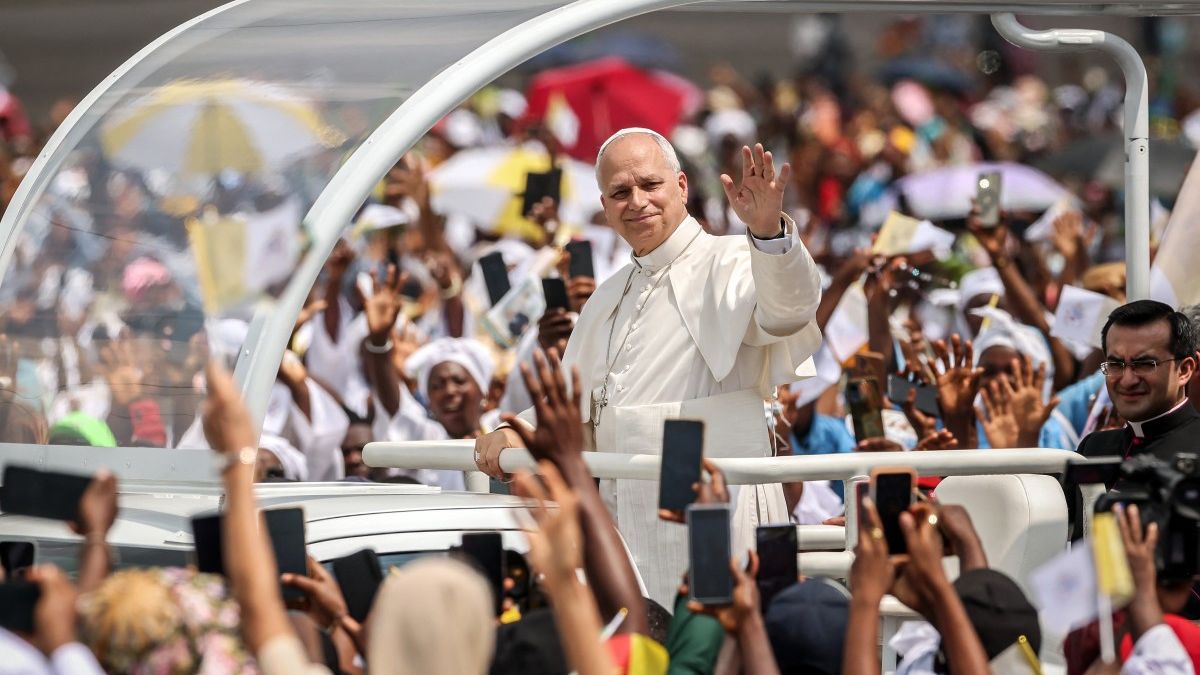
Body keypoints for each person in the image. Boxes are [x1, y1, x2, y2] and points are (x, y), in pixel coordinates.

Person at [475, 130, 822, 602]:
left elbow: (787, 313)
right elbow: (585, 403)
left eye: (649, 185)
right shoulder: (609, 293)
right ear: (604, 204)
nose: (636, 202)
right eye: (620, 192)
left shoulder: (736, 259)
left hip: (716, 506)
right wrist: (518, 430)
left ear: (681, 186)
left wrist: (766, 232)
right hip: (626, 511)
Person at [1077, 300, 1200, 465]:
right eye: (1115, 365)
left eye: (1145, 364)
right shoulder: (1094, 448)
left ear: (1184, 370)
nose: (1128, 381)